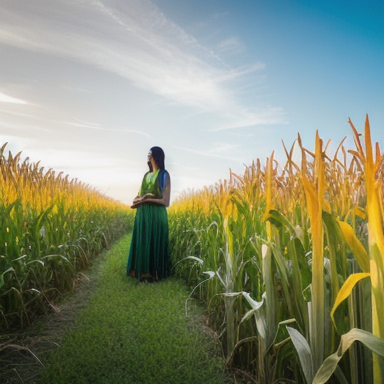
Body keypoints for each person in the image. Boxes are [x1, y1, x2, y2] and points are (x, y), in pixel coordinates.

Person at [127, 146, 172, 282]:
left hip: (156, 214)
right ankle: (141, 271)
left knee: (154, 240)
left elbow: (166, 201)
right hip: (143, 214)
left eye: (150, 154)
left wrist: (146, 199)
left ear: (156, 156)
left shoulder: (164, 174)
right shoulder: (146, 176)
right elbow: (139, 194)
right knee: (144, 240)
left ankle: (155, 273)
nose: (148, 156)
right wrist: (138, 200)